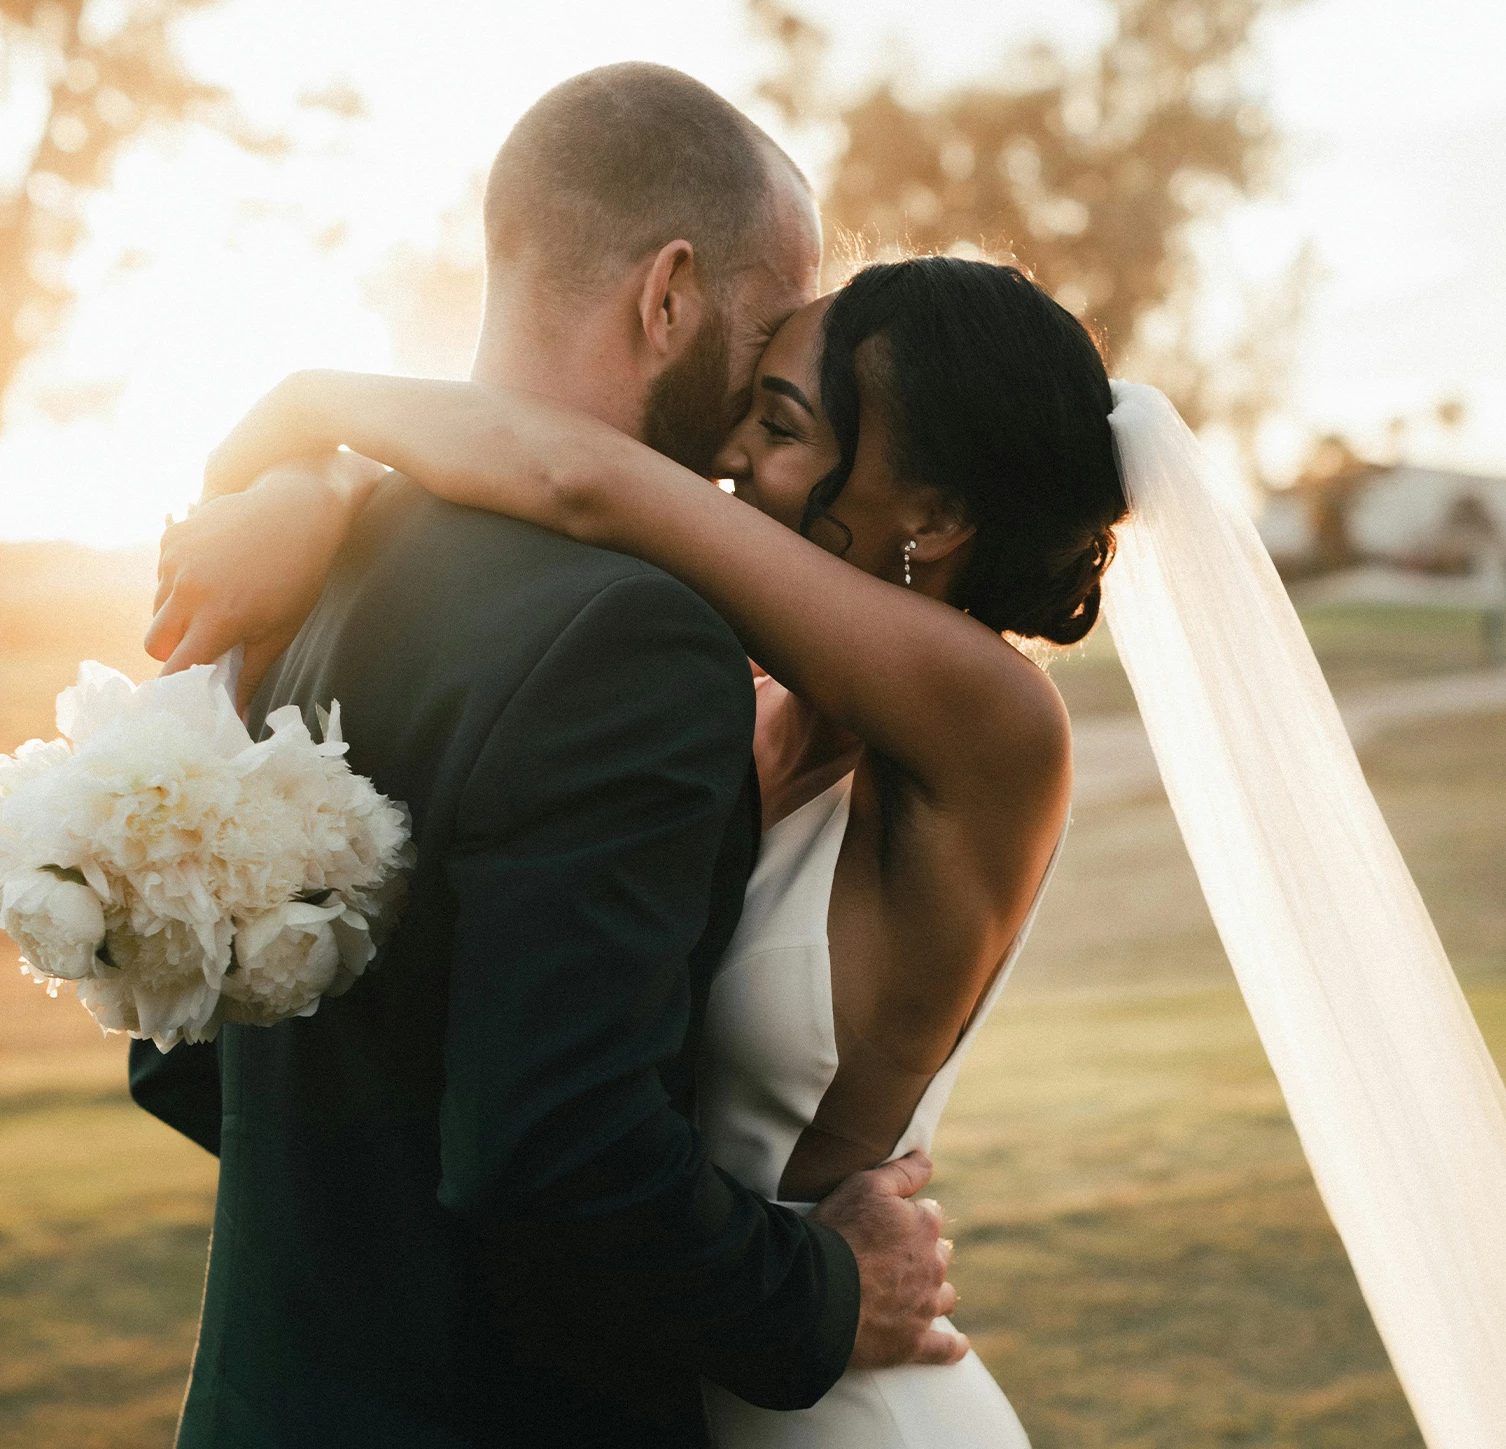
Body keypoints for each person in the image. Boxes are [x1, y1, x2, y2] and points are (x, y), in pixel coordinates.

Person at [150, 245, 1123, 1446]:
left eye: (779, 425)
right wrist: (328, 494)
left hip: (840, 1389)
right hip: (687, 1361)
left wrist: (311, 407)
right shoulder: (744, 703)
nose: (723, 457)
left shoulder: (998, 727)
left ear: (936, 513)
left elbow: (582, 482)